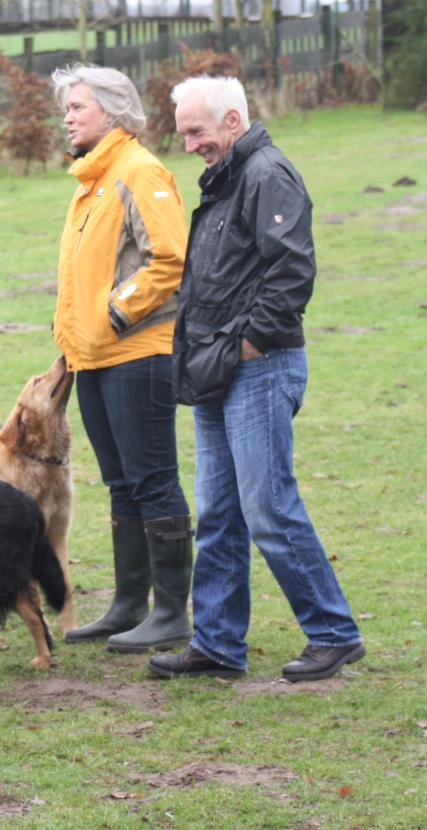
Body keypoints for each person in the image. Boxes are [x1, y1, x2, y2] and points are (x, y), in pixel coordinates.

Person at [150, 75, 364, 681]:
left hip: (257, 367)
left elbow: (292, 271)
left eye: (196, 131)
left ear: (233, 120)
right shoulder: (227, 179)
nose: (189, 145)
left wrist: (250, 344)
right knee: (218, 512)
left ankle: (333, 632)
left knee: (268, 506)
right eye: (183, 134)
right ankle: (217, 644)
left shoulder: (268, 174)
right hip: (216, 368)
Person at [49, 66, 194, 653]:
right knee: (121, 483)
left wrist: (116, 313)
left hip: (137, 353)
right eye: (66, 108)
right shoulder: (92, 180)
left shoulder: (140, 171)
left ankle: (172, 613)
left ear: (112, 111)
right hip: (91, 358)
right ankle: (129, 605)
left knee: (152, 479)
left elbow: (171, 258)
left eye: (77, 107)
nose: (67, 117)